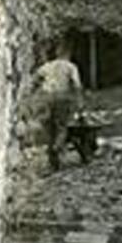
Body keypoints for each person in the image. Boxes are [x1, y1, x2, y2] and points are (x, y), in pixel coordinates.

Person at [35, 40, 84, 172]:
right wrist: (80, 103)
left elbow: (34, 81)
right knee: (62, 127)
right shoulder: (70, 66)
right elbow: (77, 85)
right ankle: (56, 148)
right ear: (67, 53)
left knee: (50, 129)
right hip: (62, 98)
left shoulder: (46, 66)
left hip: (46, 98)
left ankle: (53, 162)